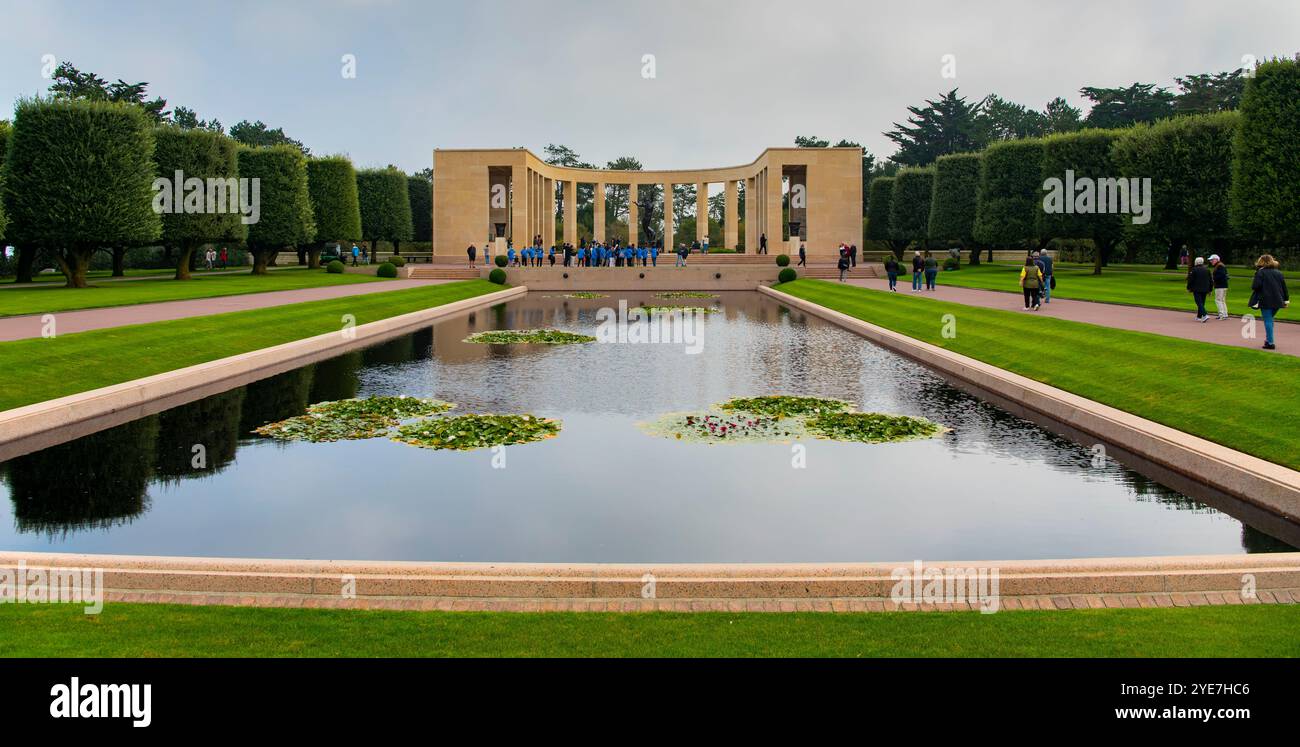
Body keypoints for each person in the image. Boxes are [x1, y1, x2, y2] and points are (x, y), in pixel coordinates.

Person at [1249, 254, 1290, 350]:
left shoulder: (1260, 272)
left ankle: (1270, 342)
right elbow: (1284, 288)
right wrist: (1286, 300)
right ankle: (1268, 340)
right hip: (1278, 300)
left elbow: (1255, 286)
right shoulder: (1278, 273)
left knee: (1268, 320)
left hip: (1265, 299)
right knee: (1270, 320)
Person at [1186, 256, 1213, 322]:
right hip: (1205, 289)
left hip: (1197, 289)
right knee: (1202, 303)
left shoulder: (1194, 270)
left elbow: (1190, 280)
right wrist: (1210, 289)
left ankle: (1205, 315)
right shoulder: (1207, 270)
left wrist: (1188, 287)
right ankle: (1199, 316)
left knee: (1199, 302)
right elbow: (1211, 281)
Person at [1210, 254, 1228, 320]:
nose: (1211, 261)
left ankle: (1222, 314)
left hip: (1220, 286)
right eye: (1211, 260)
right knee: (1222, 300)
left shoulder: (1219, 266)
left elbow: (1221, 275)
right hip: (1223, 285)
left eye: (1212, 260)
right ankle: (1225, 314)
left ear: (1216, 259)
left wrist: (1213, 278)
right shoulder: (1220, 265)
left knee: (1218, 300)